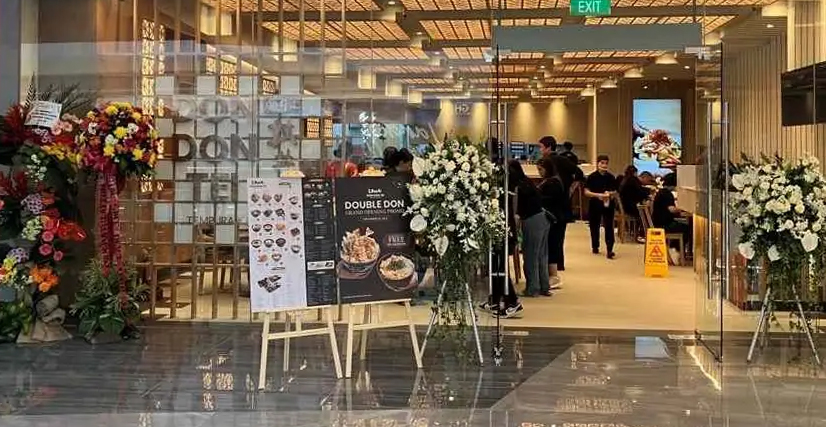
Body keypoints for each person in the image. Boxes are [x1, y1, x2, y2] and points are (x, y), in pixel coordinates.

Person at [481, 145, 524, 318]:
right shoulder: (500, 172)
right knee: (495, 264)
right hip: (498, 224)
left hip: (503, 225)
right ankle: (495, 299)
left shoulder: (504, 173)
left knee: (499, 266)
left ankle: (512, 302)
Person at [538, 136, 584, 271]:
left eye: (541, 147)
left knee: (551, 235)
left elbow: (579, 174)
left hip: (553, 202)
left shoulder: (551, 161)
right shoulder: (563, 160)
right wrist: (570, 189)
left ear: (548, 147)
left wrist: (570, 189)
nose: (540, 150)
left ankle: (551, 263)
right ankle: (559, 263)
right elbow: (579, 174)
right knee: (559, 235)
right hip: (563, 201)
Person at [509, 160, 551, 297]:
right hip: (543, 218)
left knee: (531, 255)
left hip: (532, 220)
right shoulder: (527, 181)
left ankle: (532, 288)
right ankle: (544, 286)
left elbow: (516, 211)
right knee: (542, 255)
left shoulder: (517, 186)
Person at [537, 156, 566, 291]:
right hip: (554, 217)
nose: (539, 172)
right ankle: (550, 275)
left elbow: (549, 200)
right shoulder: (552, 181)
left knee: (553, 246)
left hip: (555, 219)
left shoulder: (553, 182)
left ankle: (554, 276)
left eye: (541, 169)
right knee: (551, 245)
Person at [652, 173, 692, 262]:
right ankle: (677, 249)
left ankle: (676, 248)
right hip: (664, 225)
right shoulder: (667, 194)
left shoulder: (661, 192)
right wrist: (683, 208)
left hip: (658, 223)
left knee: (683, 226)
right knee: (688, 229)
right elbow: (671, 209)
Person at [585, 155, 617, 259]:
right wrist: (598, 195)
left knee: (609, 226)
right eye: (602, 163)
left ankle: (609, 249)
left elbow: (615, 191)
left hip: (608, 204)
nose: (604, 165)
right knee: (594, 225)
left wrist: (609, 193)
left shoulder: (611, 177)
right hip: (595, 203)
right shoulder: (592, 177)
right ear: (598, 163)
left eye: (606, 163)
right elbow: (586, 192)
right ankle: (595, 246)